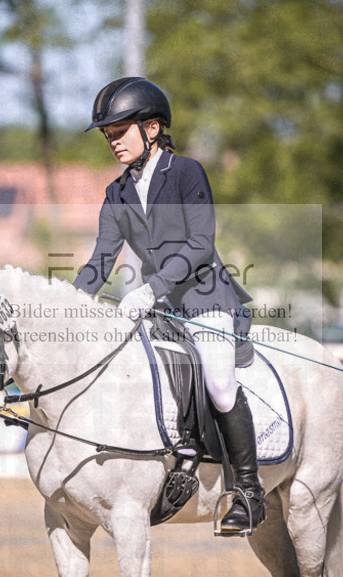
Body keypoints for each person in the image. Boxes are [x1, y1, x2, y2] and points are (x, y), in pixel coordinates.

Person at [74, 76, 265, 535]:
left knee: (219, 382)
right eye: (108, 135)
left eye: (120, 131)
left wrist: (150, 287)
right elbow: (101, 260)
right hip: (159, 307)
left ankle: (249, 491)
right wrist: (69, 301)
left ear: (153, 128)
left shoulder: (186, 173)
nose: (113, 142)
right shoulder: (116, 193)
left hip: (206, 297)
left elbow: (201, 243)